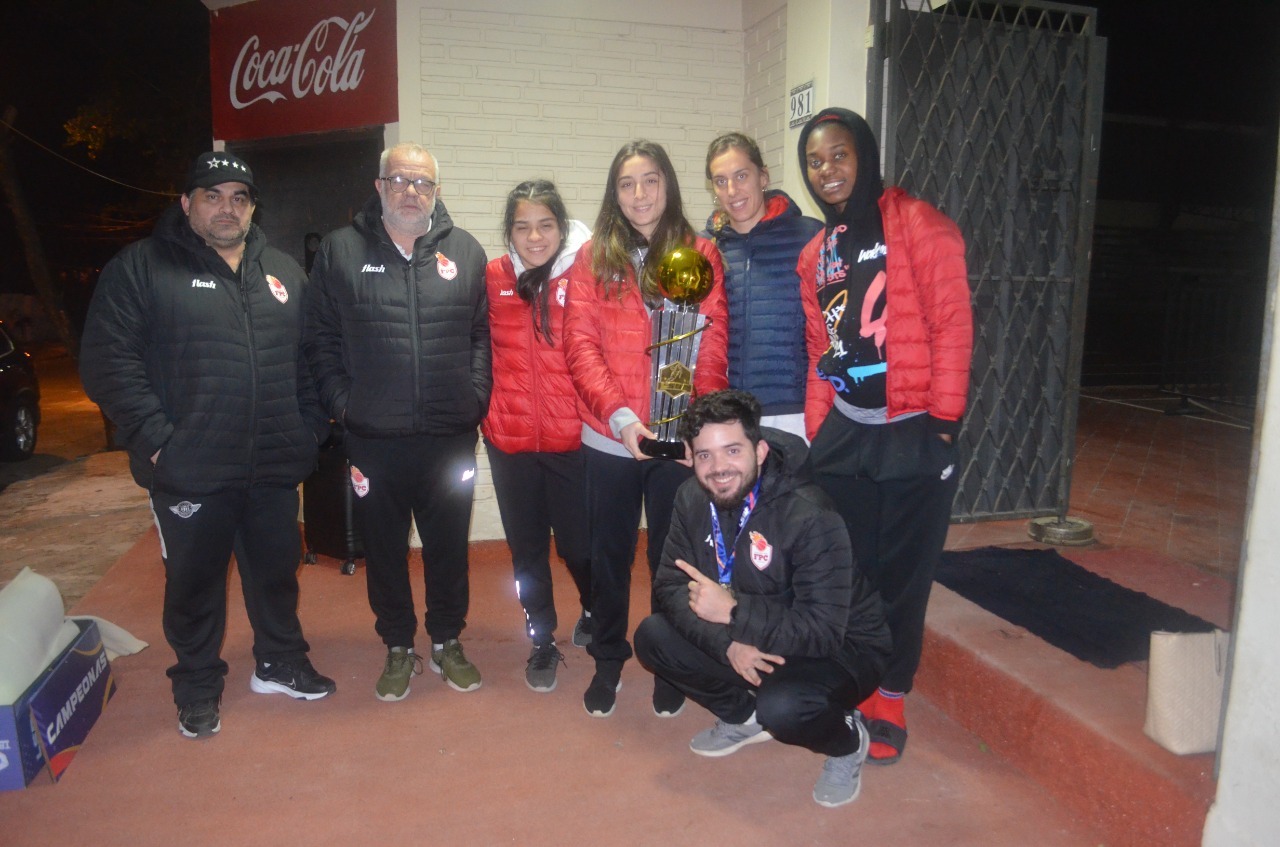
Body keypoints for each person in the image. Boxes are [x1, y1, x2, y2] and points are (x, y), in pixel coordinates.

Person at [80, 151, 336, 740]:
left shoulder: (282, 273)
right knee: (193, 585)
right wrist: (159, 441)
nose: (227, 208)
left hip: (272, 465)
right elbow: (107, 363)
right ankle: (196, 685)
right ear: (186, 203)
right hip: (188, 469)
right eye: (213, 195)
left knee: (276, 572)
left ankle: (279, 662)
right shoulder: (141, 268)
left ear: (252, 207)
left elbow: (310, 362)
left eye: (239, 198)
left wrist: (306, 430)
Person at [796, 107, 973, 765]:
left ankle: (891, 696)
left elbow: (952, 325)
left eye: (839, 155)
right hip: (846, 434)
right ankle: (859, 679)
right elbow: (822, 348)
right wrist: (821, 431)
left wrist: (944, 426)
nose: (828, 170)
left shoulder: (920, 227)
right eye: (815, 161)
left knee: (904, 576)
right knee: (854, 572)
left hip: (914, 433)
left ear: (864, 155)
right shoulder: (818, 253)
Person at [634, 389, 890, 808]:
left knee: (785, 707)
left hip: (844, 647)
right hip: (750, 633)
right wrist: (729, 641)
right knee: (653, 636)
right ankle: (741, 716)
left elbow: (824, 631)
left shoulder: (809, 513)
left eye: (732, 450)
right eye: (705, 456)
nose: (719, 468)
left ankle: (847, 741)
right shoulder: (691, 499)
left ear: (761, 449)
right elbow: (670, 586)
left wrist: (734, 613)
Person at [304, 142, 490, 702]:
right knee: (383, 548)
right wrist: (344, 404)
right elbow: (320, 339)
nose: (412, 192)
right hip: (373, 439)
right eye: (401, 181)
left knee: (448, 546)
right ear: (380, 187)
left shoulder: (467, 252)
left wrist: (474, 397)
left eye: (424, 183)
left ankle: (446, 640)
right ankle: (397, 645)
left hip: (450, 438)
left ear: (437, 192)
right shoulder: (339, 251)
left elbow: (481, 336)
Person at [564, 139, 729, 718]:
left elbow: (711, 346)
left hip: (676, 442)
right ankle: (608, 659)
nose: (640, 194)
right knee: (607, 556)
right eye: (628, 183)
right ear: (615, 191)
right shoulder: (592, 259)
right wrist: (623, 418)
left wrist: (693, 426)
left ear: (668, 185)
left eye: (651, 181)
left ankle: (670, 660)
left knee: (672, 558)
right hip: (609, 436)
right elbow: (579, 346)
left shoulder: (698, 251)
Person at [483, 180, 593, 693]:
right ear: (509, 232)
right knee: (527, 551)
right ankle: (542, 639)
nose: (534, 237)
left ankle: (592, 609)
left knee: (579, 546)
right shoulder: (493, 278)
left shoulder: (585, 274)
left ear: (562, 226)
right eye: (523, 226)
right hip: (510, 441)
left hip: (573, 440)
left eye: (545, 225)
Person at [703, 133, 822, 440]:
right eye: (720, 180)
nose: (732, 190)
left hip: (795, 412)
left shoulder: (810, 236)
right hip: (728, 415)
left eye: (741, 176)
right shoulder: (704, 250)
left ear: (763, 177)